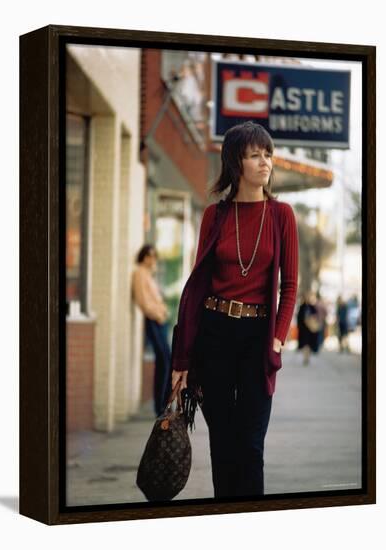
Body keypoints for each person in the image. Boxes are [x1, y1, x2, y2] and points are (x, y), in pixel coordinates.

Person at [170, 121, 299, 499]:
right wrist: (184, 357)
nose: (265, 162)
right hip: (215, 335)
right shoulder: (215, 216)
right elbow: (196, 289)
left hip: (257, 339)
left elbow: (289, 286)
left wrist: (277, 339)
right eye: (255, 155)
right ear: (235, 162)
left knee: (250, 445)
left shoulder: (281, 215)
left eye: (268, 154)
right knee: (223, 445)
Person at [132, 244, 172, 417]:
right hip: (153, 321)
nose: (153, 259)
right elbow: (143, 301)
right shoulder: (139, 273)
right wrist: (158, 313)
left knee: (166, 360)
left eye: (155, 256)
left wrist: (163, 311)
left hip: (160, 320)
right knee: (164, 359)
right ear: (144, 256)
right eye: (150, 255)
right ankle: (160, 405)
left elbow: (156, 299)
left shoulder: (149, 274)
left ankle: (163, 403)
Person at [297, 290, 321, 365]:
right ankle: (305, 357)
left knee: (309, 344)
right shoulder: (302, 307)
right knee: (305, 344)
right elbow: (299, 318)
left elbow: (316, 317)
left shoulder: (312, 307)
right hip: (304, 329)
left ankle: (307, 357)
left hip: (310, 329)